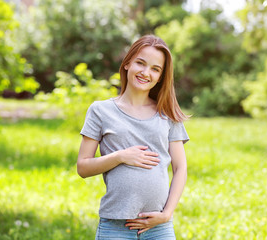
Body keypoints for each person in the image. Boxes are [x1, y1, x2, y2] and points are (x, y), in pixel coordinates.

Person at [77, 34, 189, 239]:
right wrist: (120, 157)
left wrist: (167, 214)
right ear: (127, 63)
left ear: (161, 76)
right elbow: (83, 167)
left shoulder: (168, 113)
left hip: (159, 227)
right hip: (116, 226)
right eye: (141, 63)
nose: (146, 73)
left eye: (155, 69)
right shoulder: (100, 111)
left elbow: (180, 168)